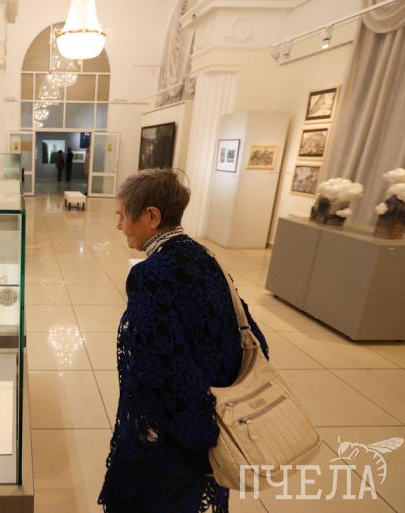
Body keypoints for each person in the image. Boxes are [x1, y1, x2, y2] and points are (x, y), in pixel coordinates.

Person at [99, 169, 269, 513]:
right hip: (215, 417)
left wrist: (196, 433)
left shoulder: (150, 275)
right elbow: (253, 339)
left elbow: (164, 366)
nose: (119, 225)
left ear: (151, 216)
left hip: (176, 435)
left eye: (122, 215)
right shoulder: (206, 257)